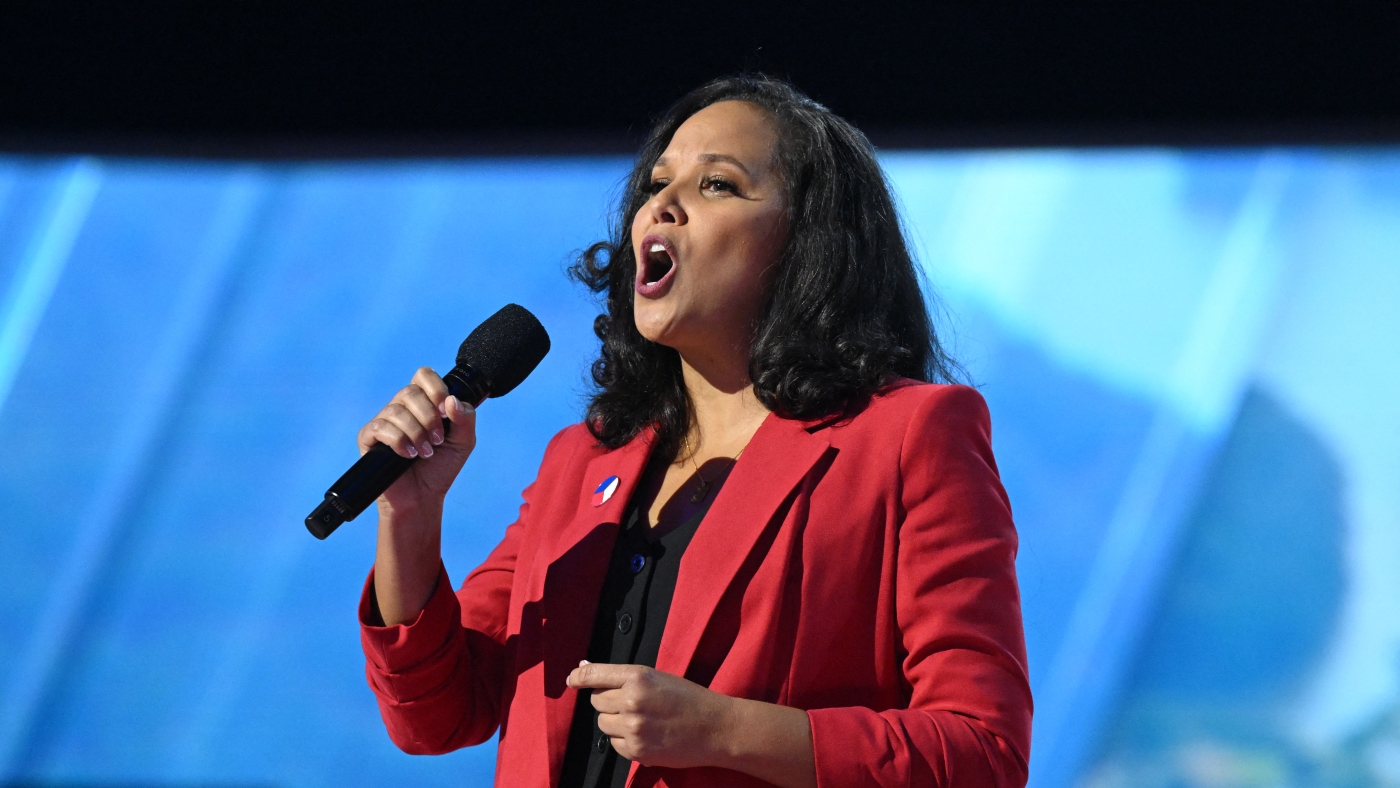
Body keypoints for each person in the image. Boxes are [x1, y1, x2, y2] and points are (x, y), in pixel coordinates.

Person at [356, 75, 1032, 788]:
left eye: (717, 186)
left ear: (808, 243)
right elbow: (437, 715)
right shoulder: (581, 462)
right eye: (656, 184)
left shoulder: (907, 437)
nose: (662, 207)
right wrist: (410, 512)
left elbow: (981, 751)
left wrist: (726, 730)